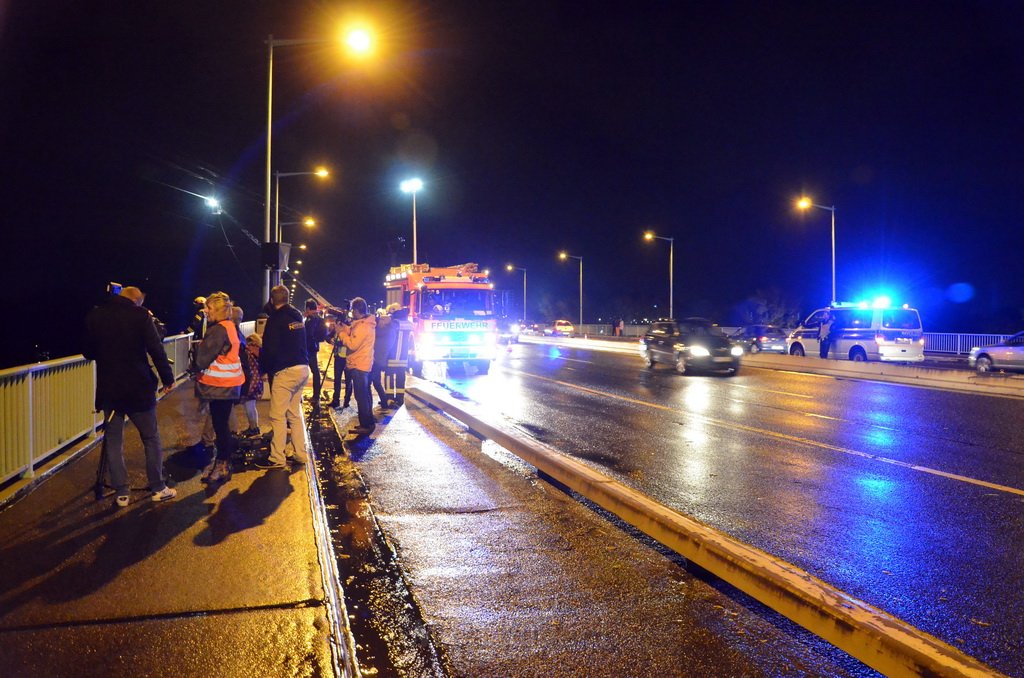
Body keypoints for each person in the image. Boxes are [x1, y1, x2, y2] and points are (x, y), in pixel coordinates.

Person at [83, 285, 176, 507]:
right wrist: (168, 379)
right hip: (138, 389)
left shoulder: (96, 315)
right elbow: (156, 349)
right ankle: (157, 488)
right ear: (137, 300)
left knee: (114, 441)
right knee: (150, 438)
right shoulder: (140, 316)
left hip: (110, 389)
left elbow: (88, 352)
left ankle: (121, 493)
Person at [256, 285, 310, 469]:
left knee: (277, 416)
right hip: (303, 368)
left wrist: (263, 369)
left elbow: (269, 350)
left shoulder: (275, 320)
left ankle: (277, 457)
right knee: (294, 414)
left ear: (272, 300)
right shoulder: (298, 318)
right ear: (287, 299)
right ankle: (301, 454)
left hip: (285, 372)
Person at [193, 292, 245, 483]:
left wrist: (199, 348)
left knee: (220, 427)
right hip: (231, 385)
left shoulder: (217, 330)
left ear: (216, 310)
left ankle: (222, 464)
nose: (205, 311)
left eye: (208, 308)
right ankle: (221, 462)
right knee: (222, 426)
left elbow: (201, 360)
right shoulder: (231, 326)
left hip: (220, 387)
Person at [337, 296, 376, 435]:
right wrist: (345, 329)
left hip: (360, 365)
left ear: (358, 310)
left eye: (353, 310)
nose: (351, 313)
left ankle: (366, 424)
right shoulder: (362, 324)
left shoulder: (364, 326)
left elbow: (353, 344)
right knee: (364, 395)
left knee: (361, 396)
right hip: (361, 363)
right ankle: (368, 422)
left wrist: (341, 334)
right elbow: (354, 335)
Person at [370, 304, 399, 411]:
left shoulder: (382, 332)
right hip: (381, 359)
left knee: (373, 381)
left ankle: (382, 402)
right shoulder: (390, 331)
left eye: (381, 321)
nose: (379, 323)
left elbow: (376, 335)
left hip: (377, 359)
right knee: (376, 381)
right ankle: (384, 401)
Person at [235, 331, 263, 437]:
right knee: (251, 405)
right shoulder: (258, 352)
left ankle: (254, 428)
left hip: (251, 382)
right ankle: (253, 427)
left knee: (249, 406)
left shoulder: (248, 353)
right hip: (256, 381)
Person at [327, 304, 352, 410]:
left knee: (348, 380)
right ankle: (336, 400)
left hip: (348, 357)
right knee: (337, 380)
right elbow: (328, 336)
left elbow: (351, 341)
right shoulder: (337, 325)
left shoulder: (350, 326)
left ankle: (347, 401)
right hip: (338, 357)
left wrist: (340, 342)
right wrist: (332, 340)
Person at [304, 298, 328, 412]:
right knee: (315, 372)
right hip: (314, 348)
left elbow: (308, 334)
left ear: (308, 308)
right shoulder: (319, 318)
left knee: (304, 372)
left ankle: (315, 396)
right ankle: (316, 394)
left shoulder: (310, 319)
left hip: (307, 349)